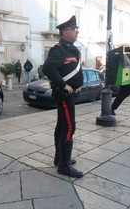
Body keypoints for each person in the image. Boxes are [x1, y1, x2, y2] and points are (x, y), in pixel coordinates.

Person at [42, 15, 83, 178]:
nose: (77, 32)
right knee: (69, 127)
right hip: (65, 95)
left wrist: (77, 85)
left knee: (61, 127)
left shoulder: (71, 48)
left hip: (71, 93)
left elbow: (73, 70)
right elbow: (48, 68)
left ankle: (60, 159)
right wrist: (64, 85)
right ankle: (64, 167)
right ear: (65, 32)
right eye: (74, 29)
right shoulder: (59, 49)